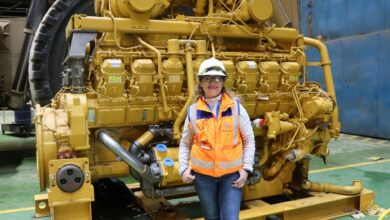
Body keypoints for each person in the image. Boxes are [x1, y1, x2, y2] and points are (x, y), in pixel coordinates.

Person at [178, 57, 256, 220]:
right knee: (211, 217)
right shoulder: (193, 112)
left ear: (223, 82)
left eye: (217, 78)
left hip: (231, 177)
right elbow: (185, 144)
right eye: (207, 78)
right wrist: (183, 168)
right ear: (200, 82)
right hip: (203, 178)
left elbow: (249, 140)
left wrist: (247, 169)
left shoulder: (236, 108)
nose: (212, 82)